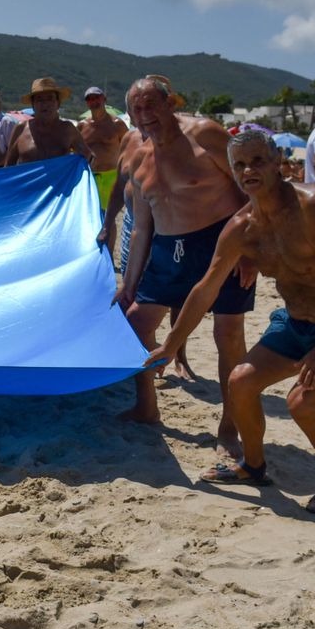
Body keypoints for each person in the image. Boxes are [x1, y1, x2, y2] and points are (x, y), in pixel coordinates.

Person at [144, 131, 315, 517]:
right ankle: (253, 466)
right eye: (239, 165)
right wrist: (171, 345)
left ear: (278, 162)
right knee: (240, 381)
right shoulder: (243, 227)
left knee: (303, 403)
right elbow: (206, 287)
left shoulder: (314, 208)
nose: (248, 171)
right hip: (297, 321)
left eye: (257, 161)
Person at [112, 77, 252, 456]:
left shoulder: (205, 134)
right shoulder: (137, 154)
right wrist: (129, 281)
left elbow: (251, 190)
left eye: (151, 106)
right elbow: (141, 227)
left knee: (228, 335)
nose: (145, 116)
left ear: (170, 103)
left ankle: (229, 427)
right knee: (137, 323)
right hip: (167, 248)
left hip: (219, 243)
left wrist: (250, 252)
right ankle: (147, 407)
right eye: (136, 110)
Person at [2, 77, 94, 167]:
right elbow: (8, 166)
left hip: (60, 182)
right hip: (29, 182)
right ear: (33, 105)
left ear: (58, 103)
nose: (45, 104)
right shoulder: (21, 129)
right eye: (39, 99)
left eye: (50, 98)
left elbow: (88, 158)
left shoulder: (67, 129)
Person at [79, 86, 128, 212]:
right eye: (90, 99)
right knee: (88, 214)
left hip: (111, 176)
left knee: (108, 217)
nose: (94, 101)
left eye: (97, 98)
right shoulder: (82, 126)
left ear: (104, 99)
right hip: (89, 176)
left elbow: (129, 148)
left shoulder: (117, 124)